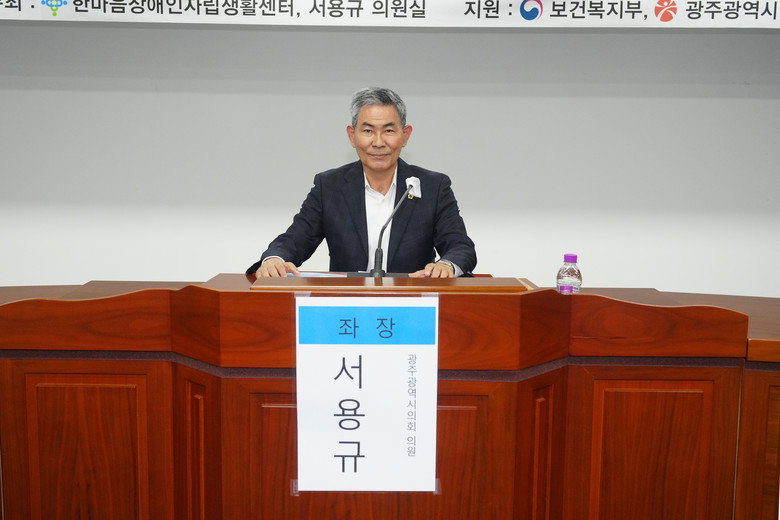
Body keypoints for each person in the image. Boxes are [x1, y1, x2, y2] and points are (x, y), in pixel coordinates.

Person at [247, 87, 476, 278]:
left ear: (405, 135)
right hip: (347, 306)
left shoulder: (433, 187)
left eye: (388, 130)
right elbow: (296, 238)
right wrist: (275, 259)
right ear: (352, 135)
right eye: (368, 130)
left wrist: (446, 265)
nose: (378, 142)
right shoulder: (330, 187)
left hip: (413, 305)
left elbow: (460, 246)